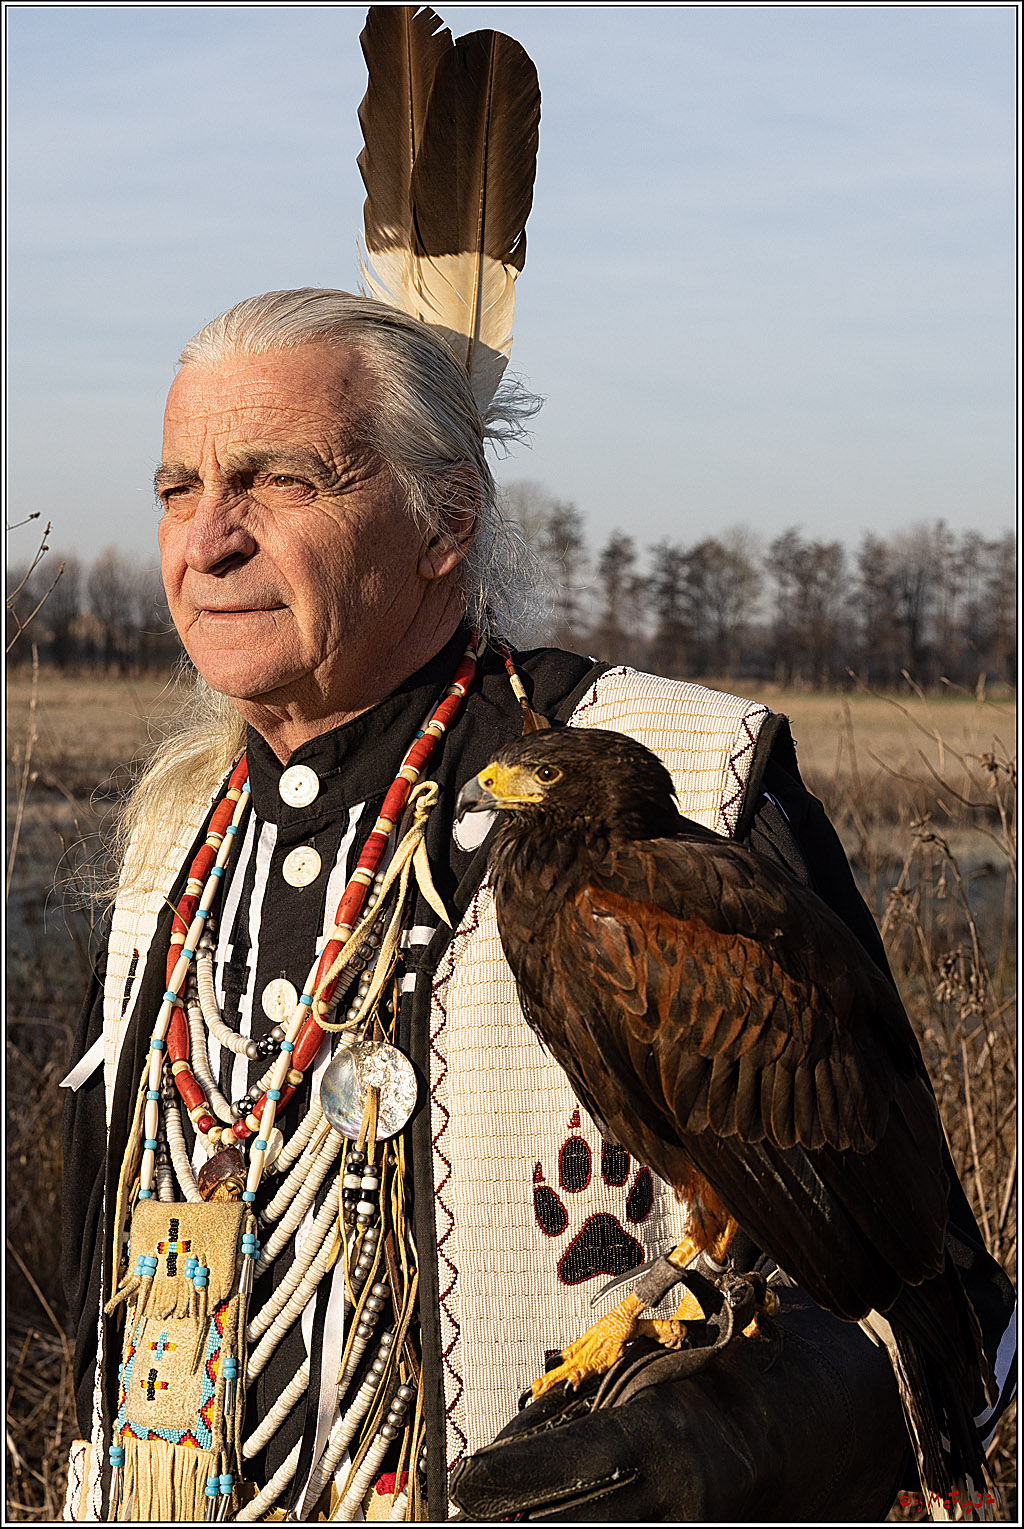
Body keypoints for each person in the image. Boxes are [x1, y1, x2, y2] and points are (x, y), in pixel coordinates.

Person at [61, 288, 1014, 1523]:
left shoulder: (692, 782)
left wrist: (736, 1440)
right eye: (177, 488)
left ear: (445, 521)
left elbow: (950, 1314)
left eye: (280, 480)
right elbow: (91, 1310)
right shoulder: (167, 850)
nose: (208, 539)